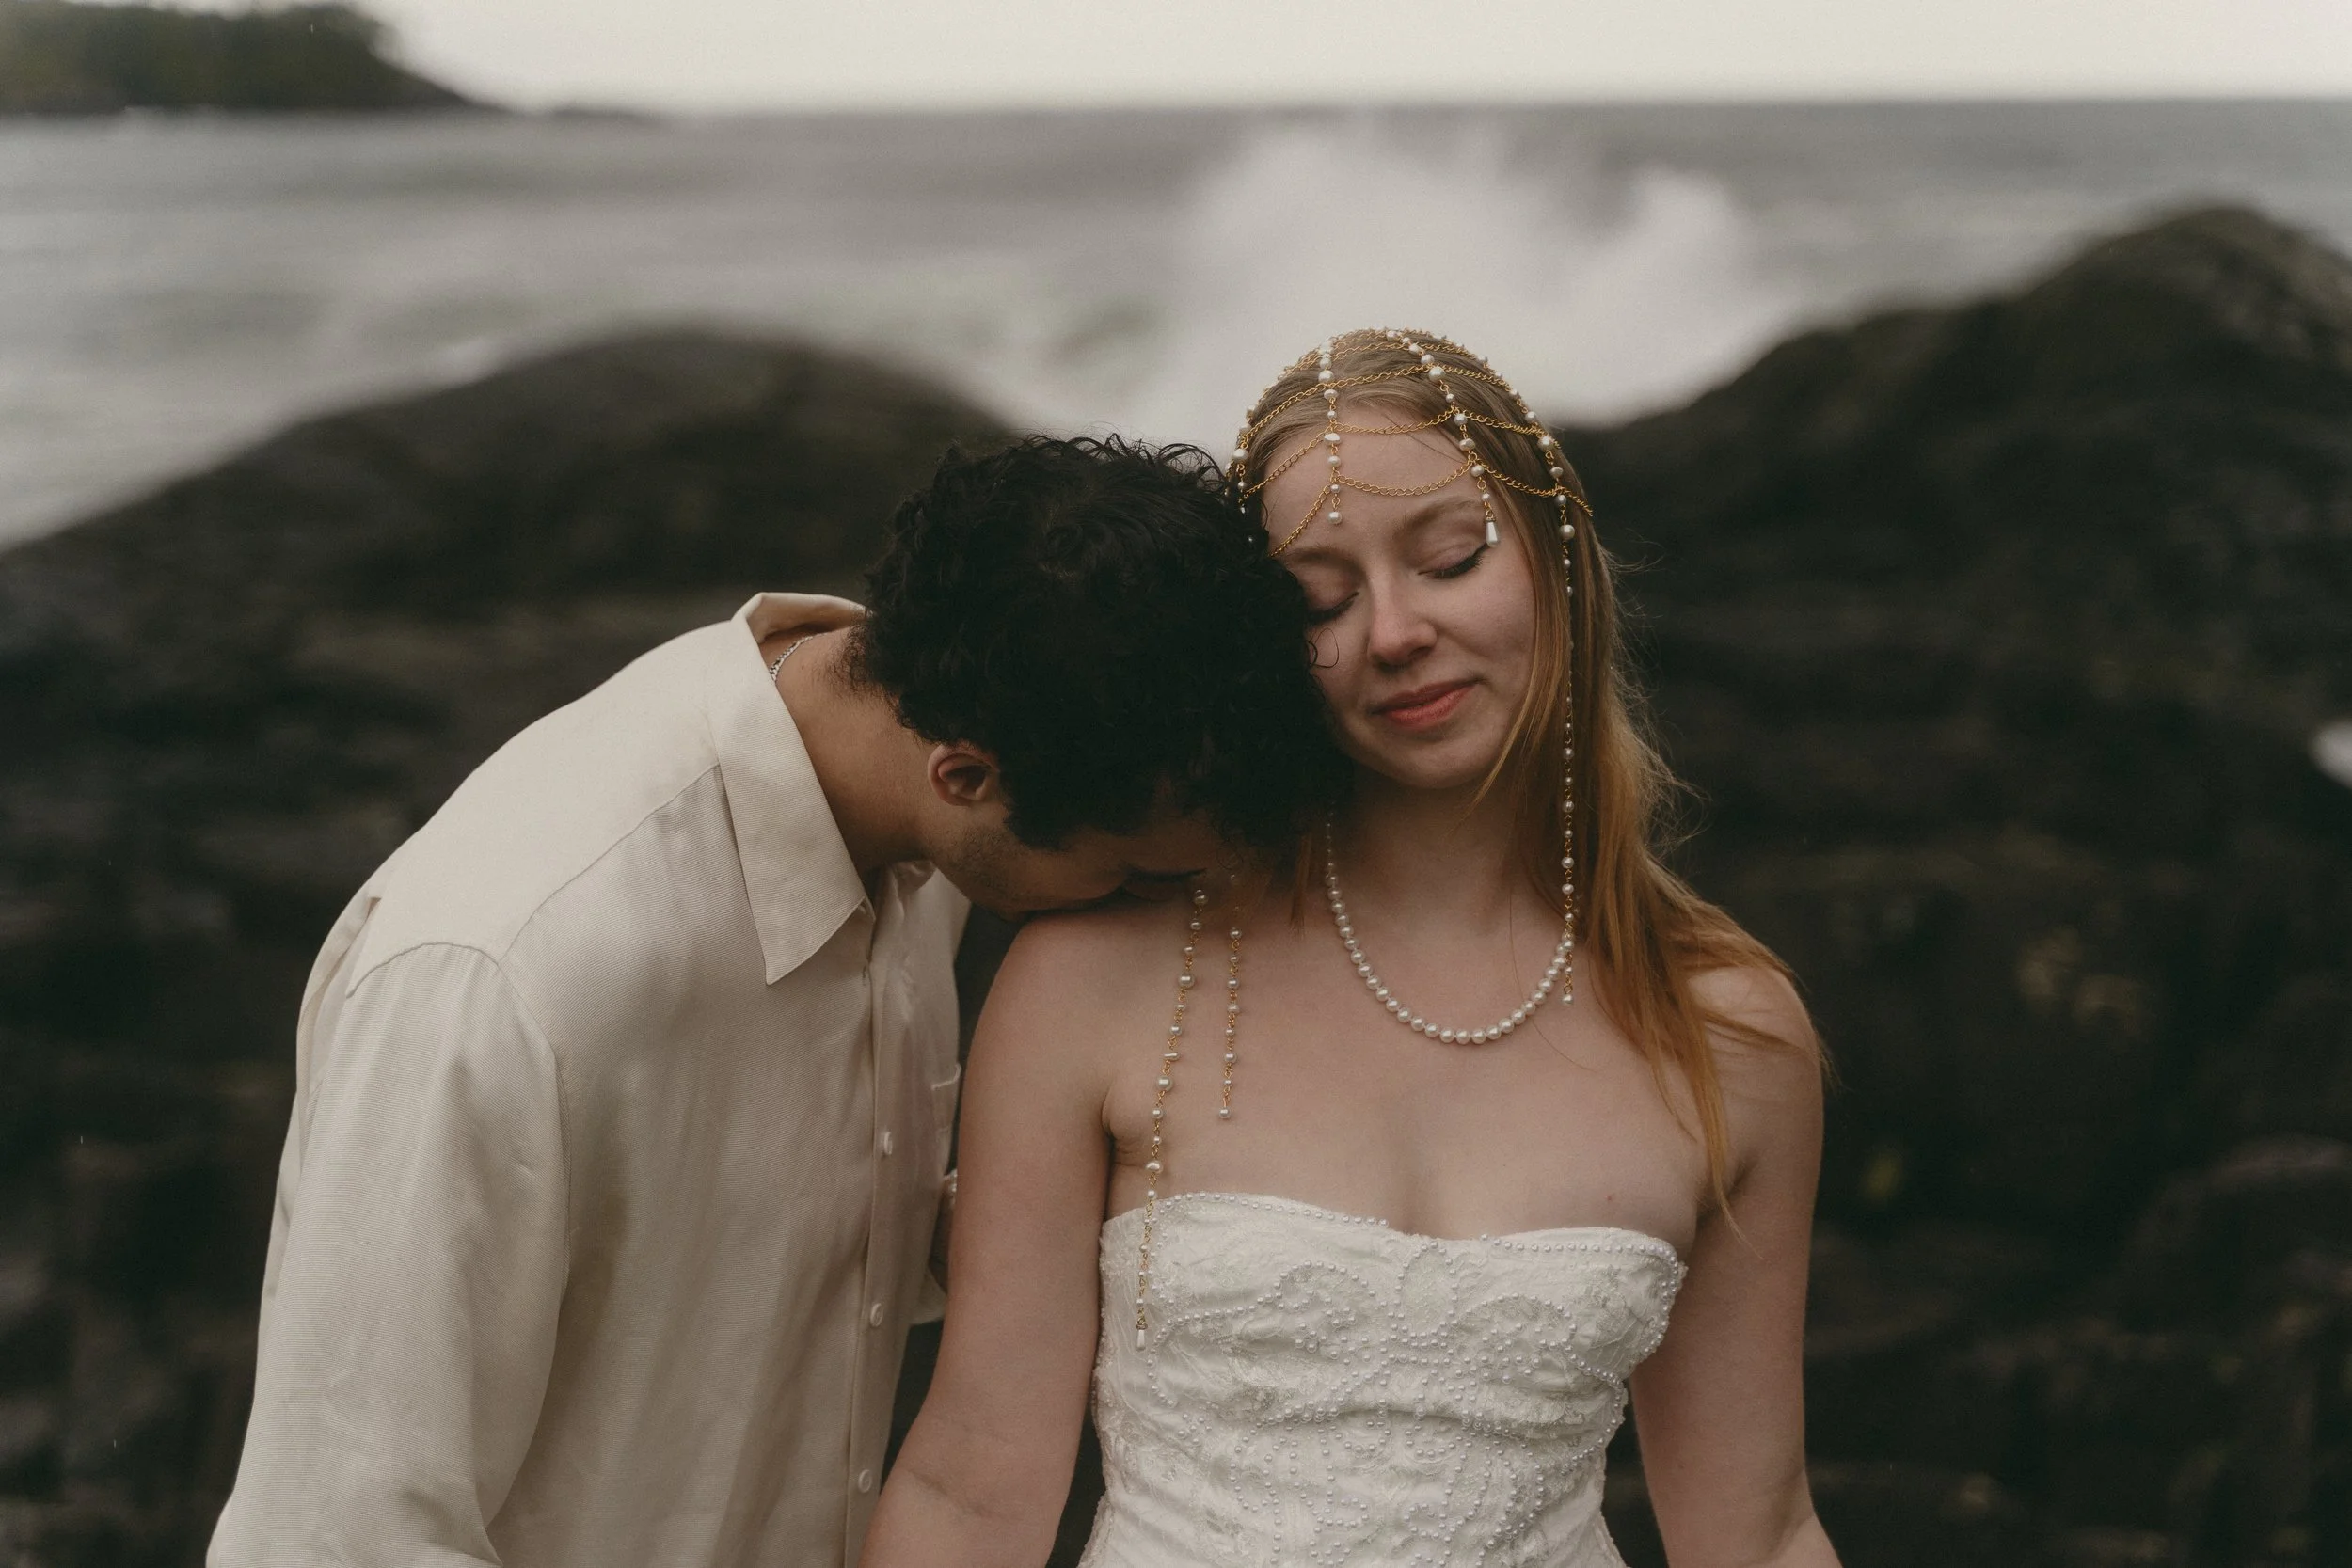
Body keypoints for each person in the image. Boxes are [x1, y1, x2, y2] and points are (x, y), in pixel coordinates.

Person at [207, 436, 1343, 1568]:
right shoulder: (504, 971)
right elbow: (331, 1528)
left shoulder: (932, 802)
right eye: (1132, 876)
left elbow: (802, 1233)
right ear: (966, 775)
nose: (1146, 915)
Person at [865, 331, 1839, 1567]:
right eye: (1319, 598)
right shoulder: (1098, 978)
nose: (1393, 631)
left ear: (1556, 557)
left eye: (1449, 557)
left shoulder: (1729, 1029)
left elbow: (1754, 1533)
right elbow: (971, 1492)